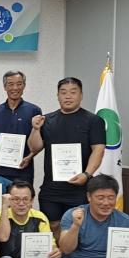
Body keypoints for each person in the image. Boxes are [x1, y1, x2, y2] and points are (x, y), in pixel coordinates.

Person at [28, 77, 106, 236]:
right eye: (63, 92)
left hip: (79, 188)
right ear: (57, 96)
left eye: (73, 92)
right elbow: (34, 147)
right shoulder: (47, 120)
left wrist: (87, 174)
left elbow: (98, 150)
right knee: (52, 226)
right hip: (51, 188)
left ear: (81, 95)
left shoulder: (93, 121)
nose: (68, 96)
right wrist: (35, 129)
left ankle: (71, 253)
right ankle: (56, 252)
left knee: (76, 227)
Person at [0, 70, 41, 184]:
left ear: (24, 86)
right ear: (5, 87)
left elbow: (39, 142)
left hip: (24, 169)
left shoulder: (34, 110)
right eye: (10, 84)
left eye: (19, 84)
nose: (15, 88)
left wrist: (30, 156)